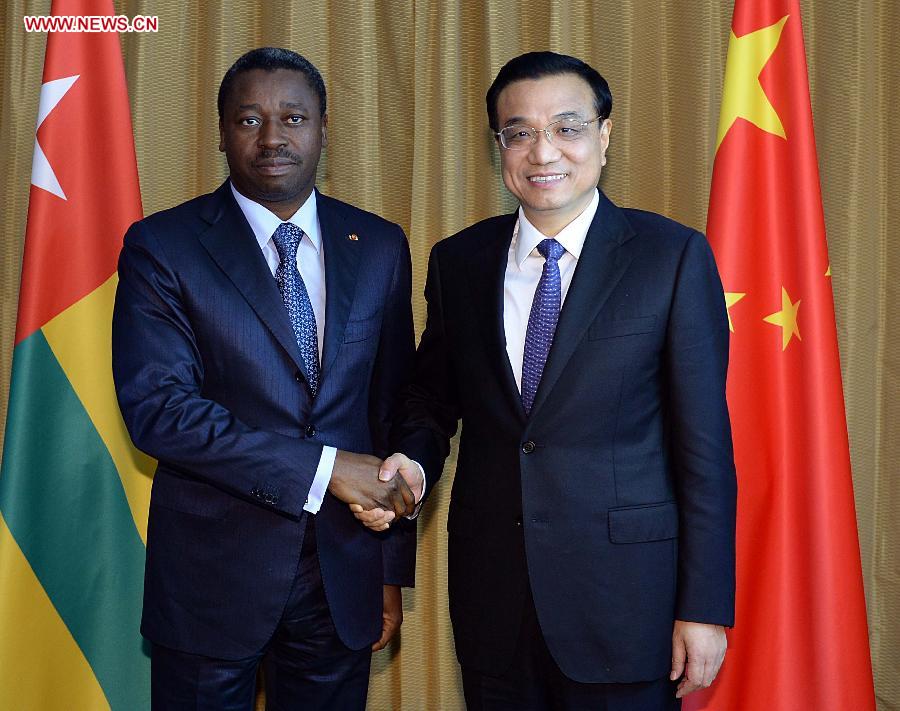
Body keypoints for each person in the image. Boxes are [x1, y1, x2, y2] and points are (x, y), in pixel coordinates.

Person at [356, 51, 737, 710]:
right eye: (520, 132)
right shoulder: (459, 261)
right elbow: (431, 398)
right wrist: (411, 465)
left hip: (626, 604)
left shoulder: (671, 257)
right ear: (498, 145)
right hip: (494, 600)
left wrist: (703, 607)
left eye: (567, 127)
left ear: (604, 135)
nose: (543, 152)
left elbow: (704, 447)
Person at [112, 47, 424, 709]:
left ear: (323, 128)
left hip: (342, 575)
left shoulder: (379, 245)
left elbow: (394, 405)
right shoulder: (162, 246)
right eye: (250, 119)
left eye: (293, 117)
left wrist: (389, 567)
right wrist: (326, 468)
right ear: (222, 133)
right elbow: (160, 410)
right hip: (211, 579)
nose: (273, 137)